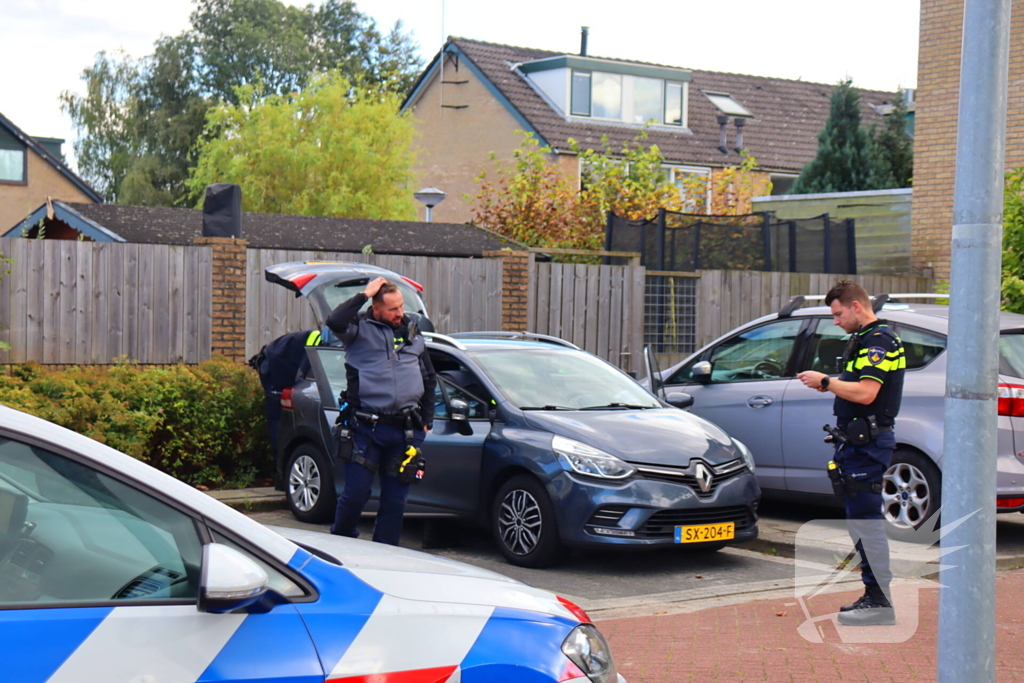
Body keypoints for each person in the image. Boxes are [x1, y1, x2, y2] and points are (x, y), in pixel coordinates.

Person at [797, 280, 906, 626]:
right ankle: (875, 595)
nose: (836, 321)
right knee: (861, 522)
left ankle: (879, 600)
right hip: (857, 444)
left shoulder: (879, 341)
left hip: (868, 446)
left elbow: (866, 393)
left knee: (866, 523)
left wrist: (826, 382)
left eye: (838, 313)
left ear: (856, 306)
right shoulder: (865, 340)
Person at [327, 277, 436, 545]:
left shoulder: (412, 330)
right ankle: (342, 545)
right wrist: (365, 294)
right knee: (355, 494)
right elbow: (334, 321)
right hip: (366, 428)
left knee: (395, 500)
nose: (400, 313)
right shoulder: (357, 330)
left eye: (401, 307)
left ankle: (385, 552)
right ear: (376, 308)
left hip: (405, 431)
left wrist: (428, 418)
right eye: (393, 309)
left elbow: (429, 377)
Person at [249, 328, 323, 490]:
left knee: (285, 420)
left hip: (284, 366)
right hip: (274, 368)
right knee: (279, 422)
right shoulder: (318, 338)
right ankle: (281, 477)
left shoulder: (328, 338)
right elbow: (302, 373)